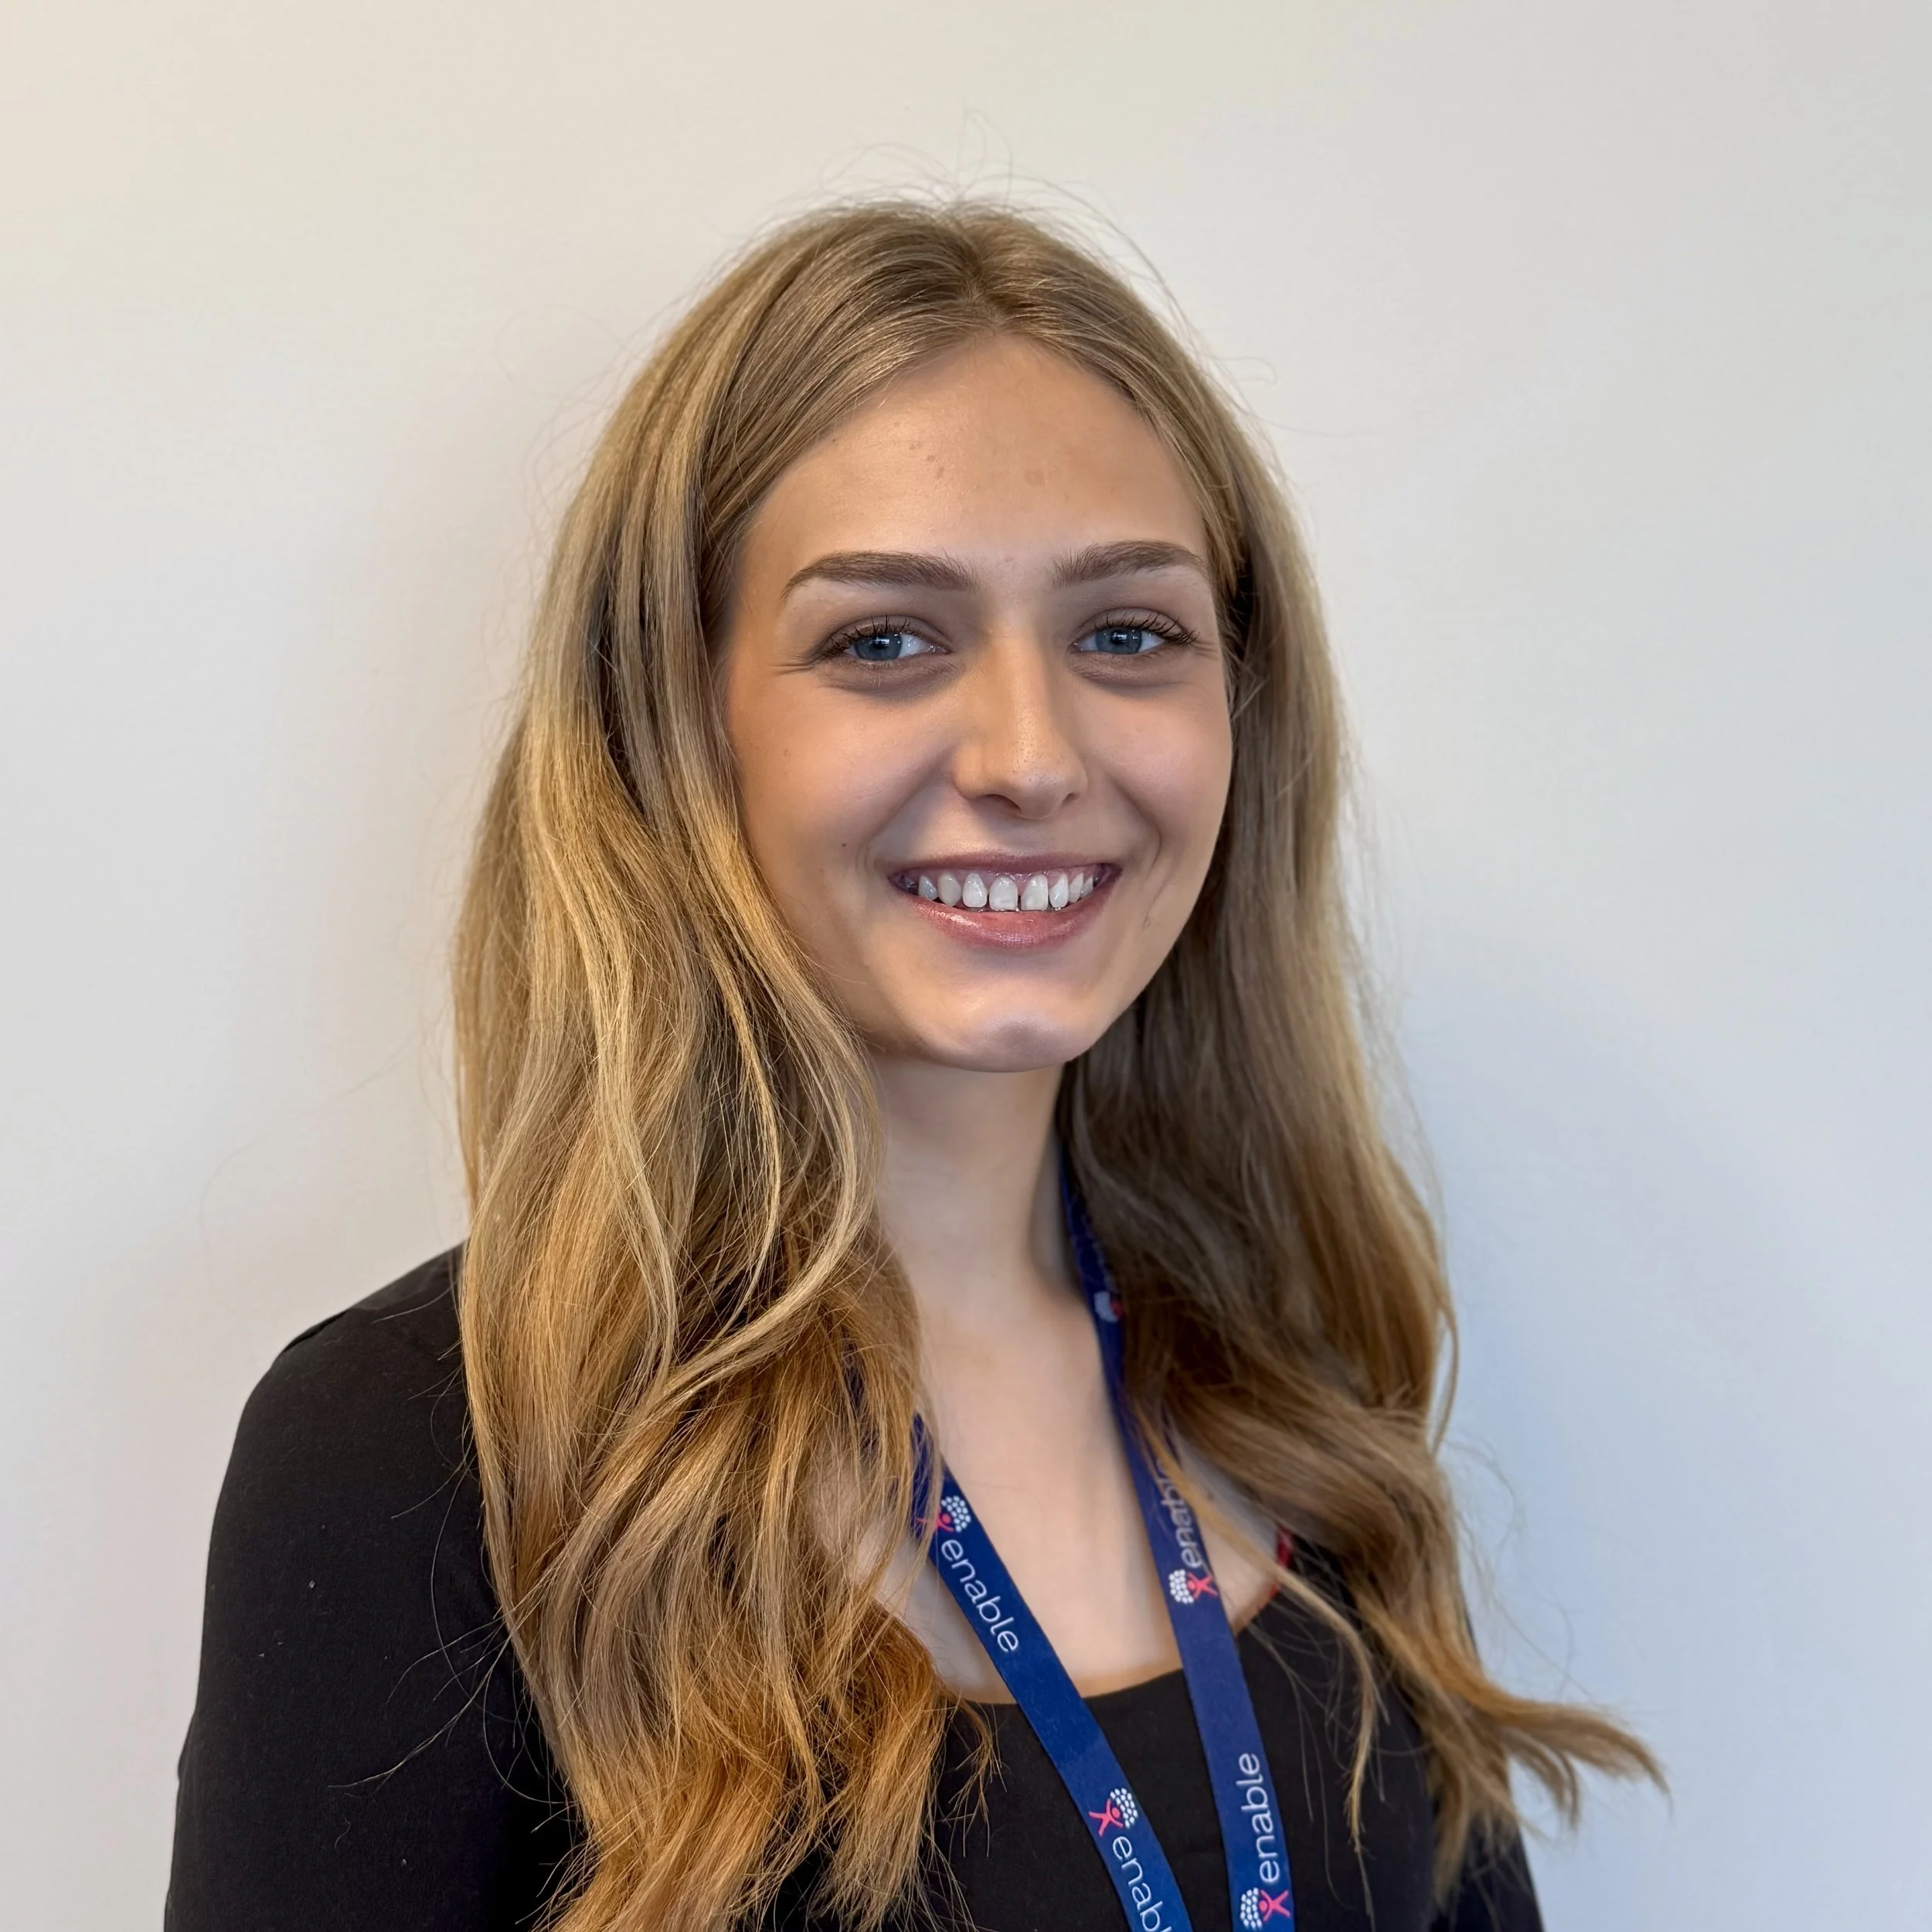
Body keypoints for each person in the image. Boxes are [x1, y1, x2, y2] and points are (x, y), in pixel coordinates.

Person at [166, 200, 1655, 1932]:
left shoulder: (1293, 1385)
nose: (1032, 755)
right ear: (677, 725)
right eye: (883, 638)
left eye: (1126, 632)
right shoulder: (429, 1452)